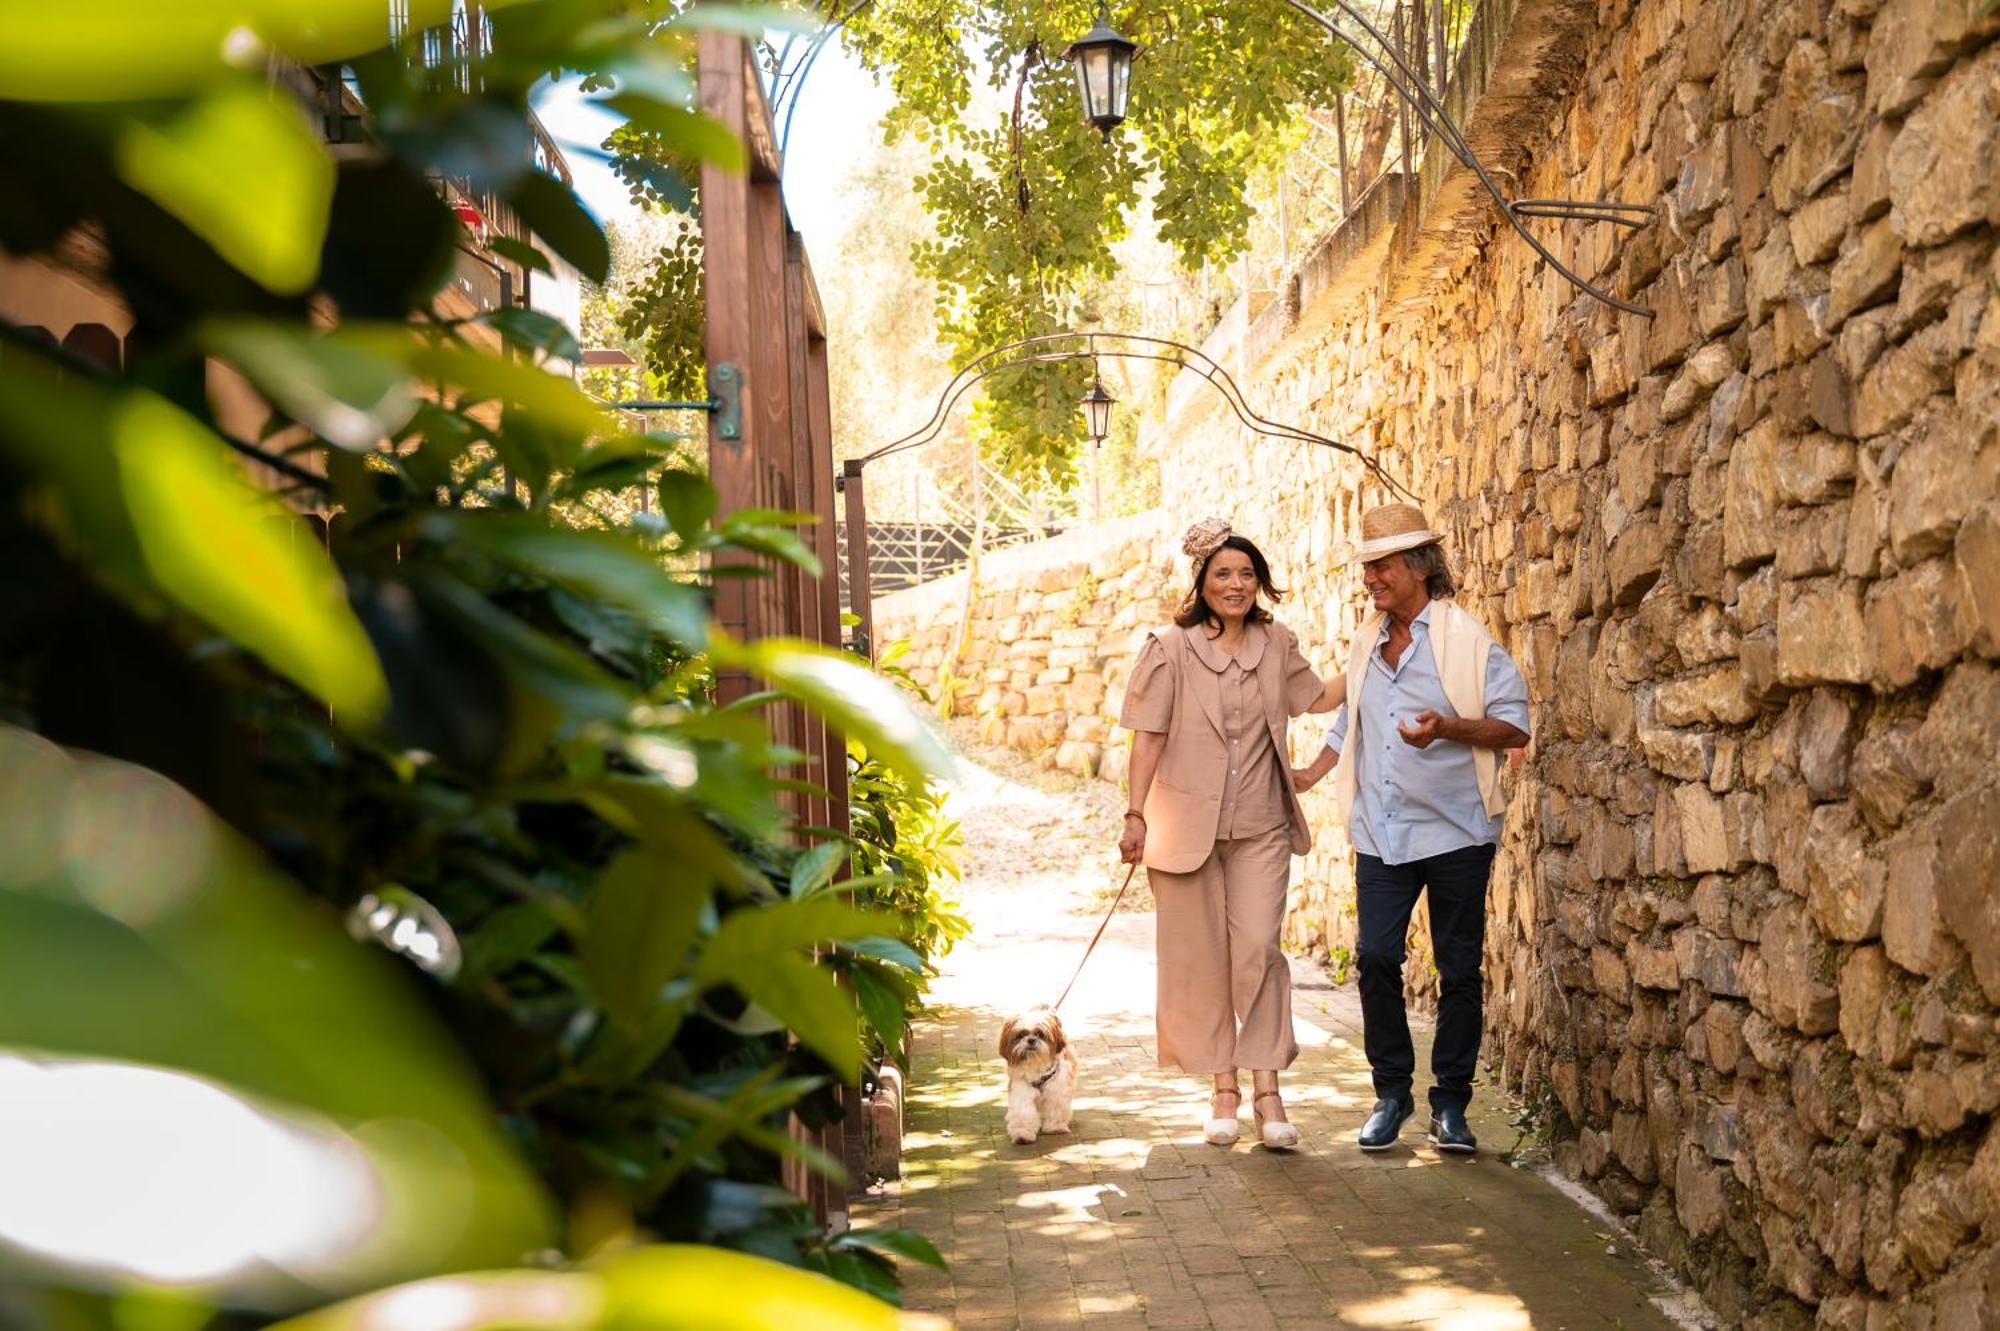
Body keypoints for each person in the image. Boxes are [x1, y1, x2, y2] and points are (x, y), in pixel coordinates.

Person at [1292, 502, 1529, 1155]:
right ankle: (1391, 1092)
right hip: (1382, 831)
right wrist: (1312, 771)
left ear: (1419, 567)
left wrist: (1448, 727)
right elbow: (1351, 721)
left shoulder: (1467, 640)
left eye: (1381, 565)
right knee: (1374, 957)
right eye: (1367, 566)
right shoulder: (1367, 639)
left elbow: (1514, 725)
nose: (1370, 578)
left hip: (1457, 831)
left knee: (1458, 968)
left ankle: (1450, 1105)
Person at [1116, 518, 1344, 1150]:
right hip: (1184, 827)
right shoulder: (1167, 646)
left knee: (1257, 952)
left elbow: (1318, 697)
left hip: (1262, 823)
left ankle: (1269, 1091)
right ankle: (1224, 1089)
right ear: (1201, 582)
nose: (1236, 584)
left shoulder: (1278, 643)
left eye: (1246, 573)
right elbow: (1149, 737)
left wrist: (1371, 651)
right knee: (1205, 961)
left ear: (1259, 581)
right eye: (1223, 574)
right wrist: (1135, 813)